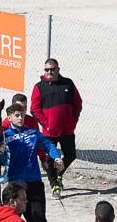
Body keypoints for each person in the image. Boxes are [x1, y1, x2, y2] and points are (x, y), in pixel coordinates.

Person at [4, 103, 63, 222]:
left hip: (34, 181)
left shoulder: (33, 133)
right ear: (9, 117)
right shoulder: (3, 137)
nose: (21, 117)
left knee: (39, 214)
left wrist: (56, 157)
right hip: (15, 183)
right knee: (13, 216)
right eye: (17, 115)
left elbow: (48, 144)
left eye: (22, 114)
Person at [30, 59, 81, 198]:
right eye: (47, 69)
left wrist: (73, 121)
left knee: (71, 155)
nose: (49, 72)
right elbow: (34, 109)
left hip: (67, 131)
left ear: (58, 69)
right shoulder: (39, 87)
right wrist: (47, 124)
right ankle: (55, 186)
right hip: (49, 132)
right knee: (49, 160)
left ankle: (58, 174)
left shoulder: (68, 84)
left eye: (52, 69)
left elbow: (78, 103)